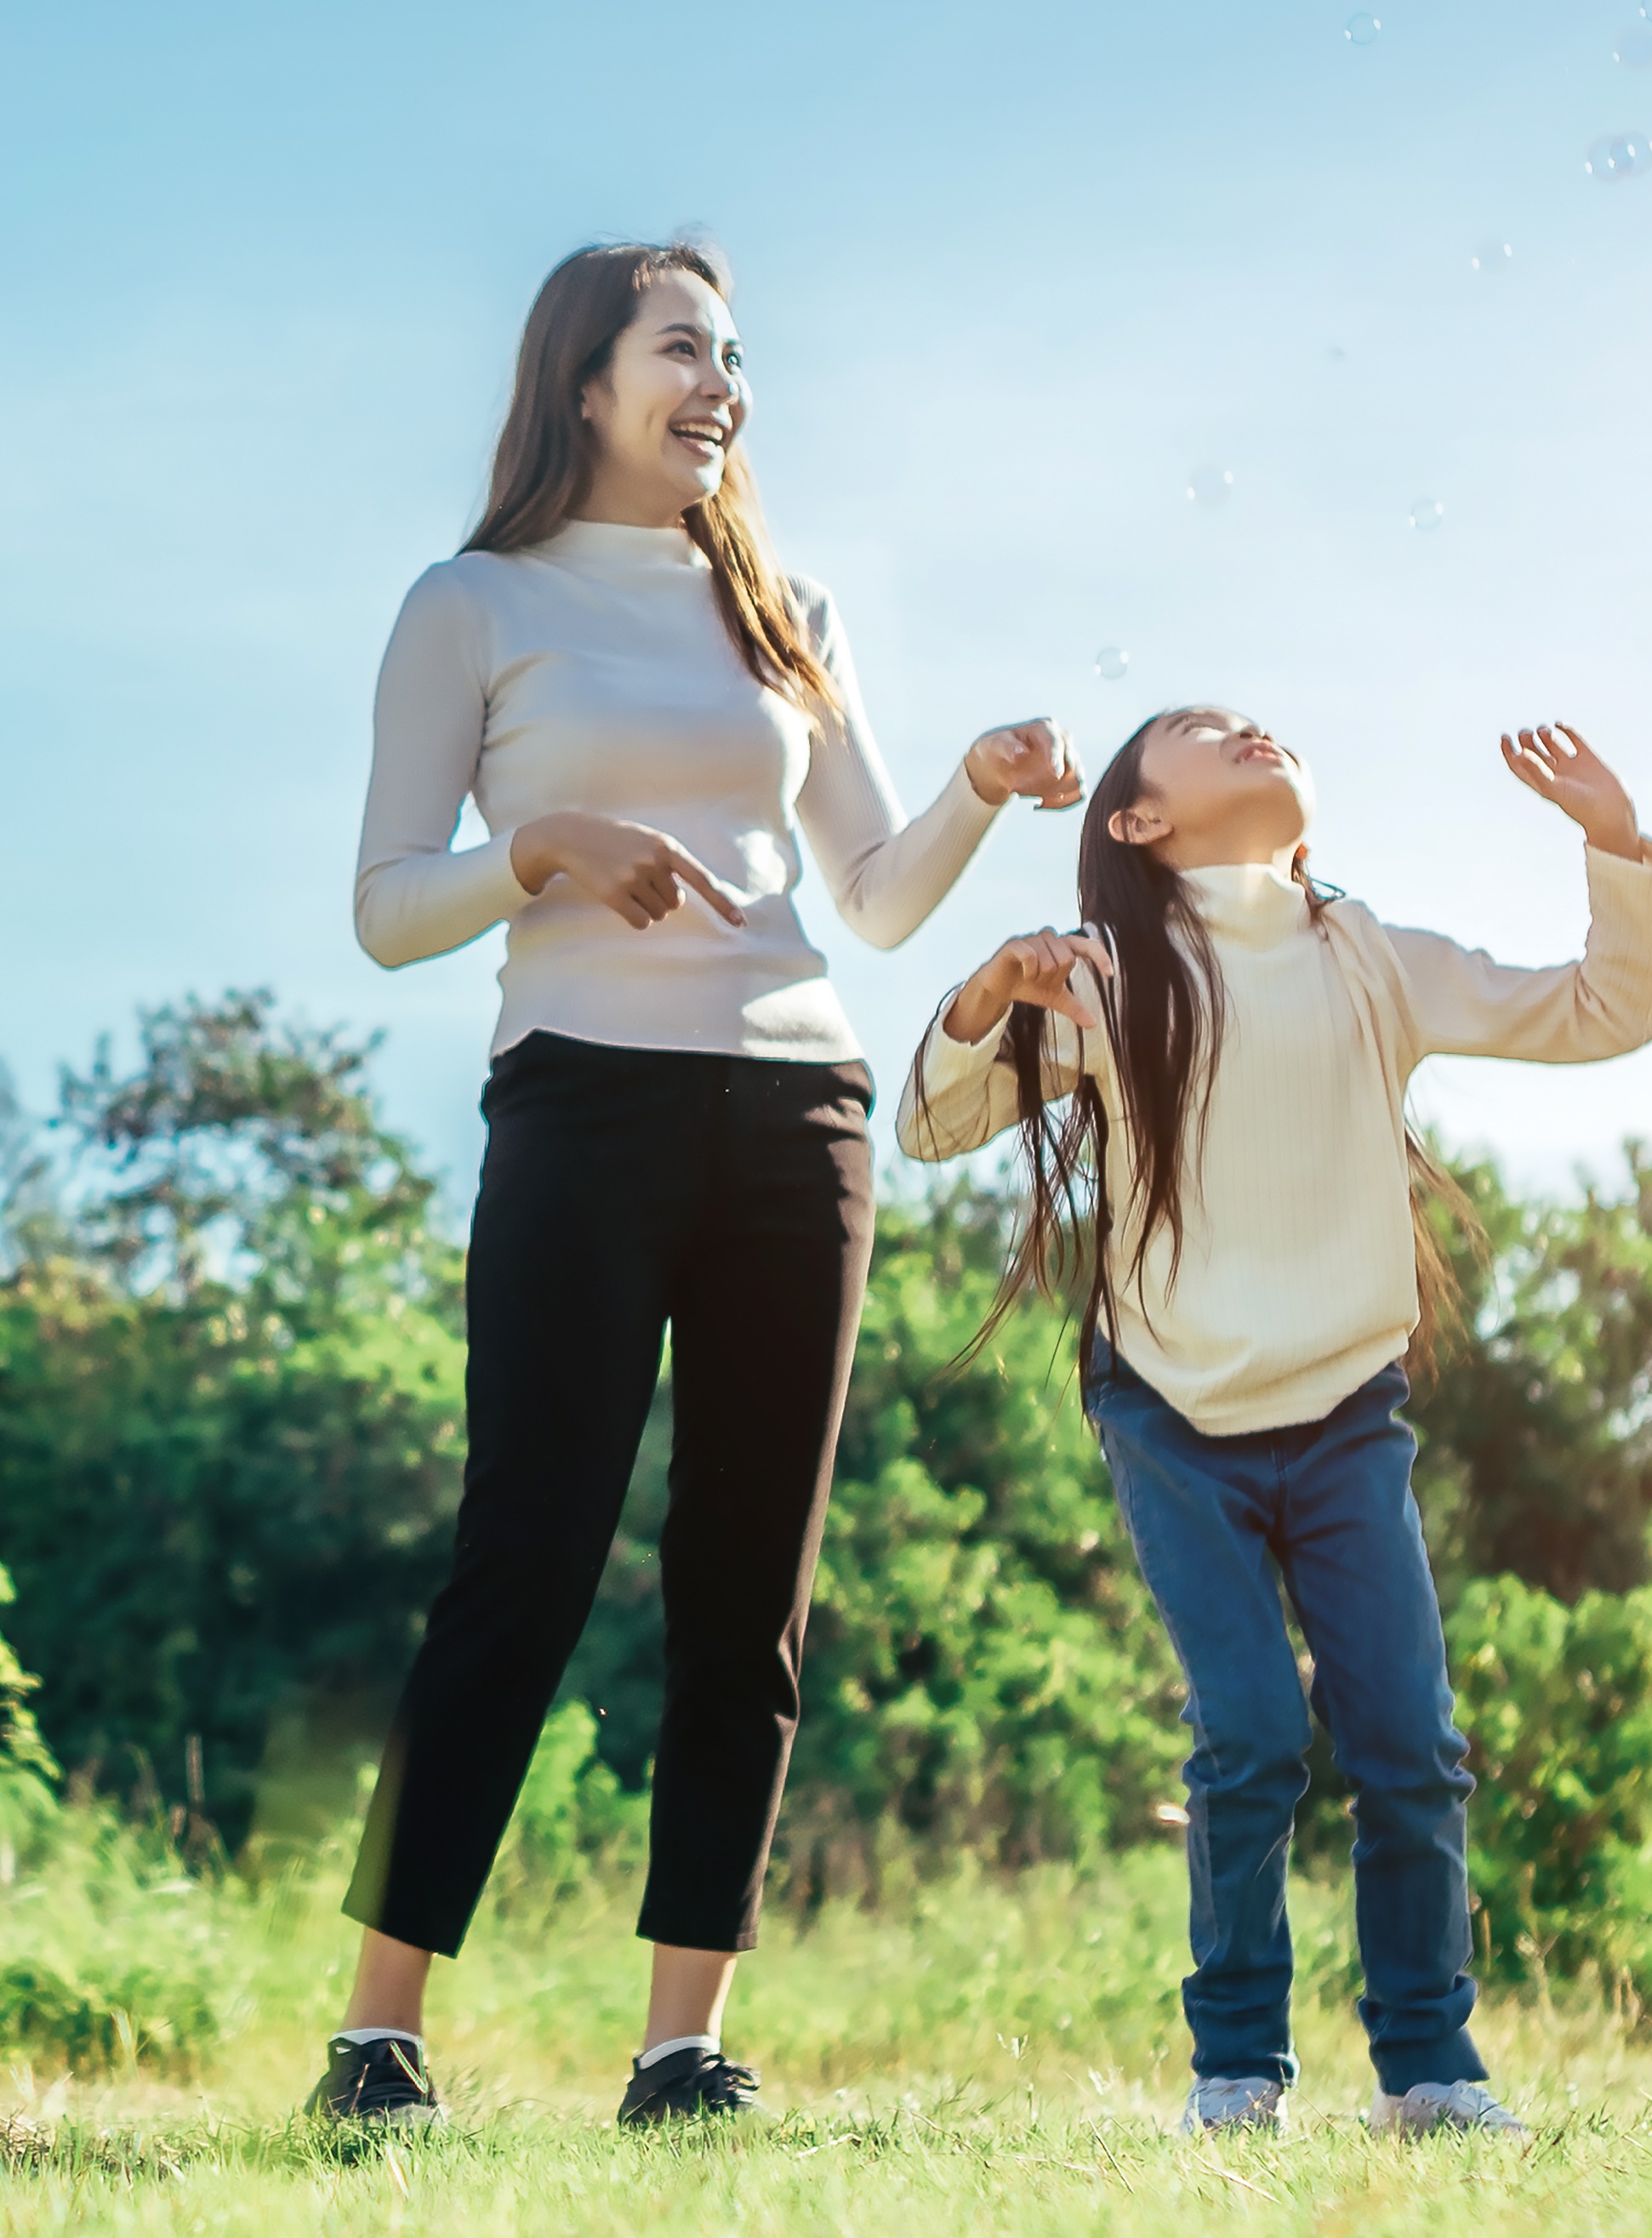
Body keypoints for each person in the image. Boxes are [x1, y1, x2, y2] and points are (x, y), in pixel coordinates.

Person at [312, 240, 1082, 2128]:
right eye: (682, 348)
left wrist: (977, 784)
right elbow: (386, 907)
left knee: (753, 1592)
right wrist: (539, 851)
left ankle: (683, 2048)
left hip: (795, 1114)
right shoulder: (472, 603)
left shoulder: (786, 609)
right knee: (527, 1556)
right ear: (585, 380)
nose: (722, 383)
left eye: (736, 355)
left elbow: (875, 895)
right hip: (579, 1100)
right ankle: (379, 2034)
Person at [896, 708, 1652, 2139]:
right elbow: (931, 1129)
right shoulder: (1106, 974)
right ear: (1139, 821)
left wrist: (1617, 847)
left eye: (1250, 719)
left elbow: (1601, 1012)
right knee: (1249, 1733)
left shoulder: (1366, 955)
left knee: (1410, 1743)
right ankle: (1237, 2072)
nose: (1248, 727)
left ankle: (1430, 2070)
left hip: (1344, 1414)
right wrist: (992, 989)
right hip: (1171, 1412)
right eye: (1201, 731)